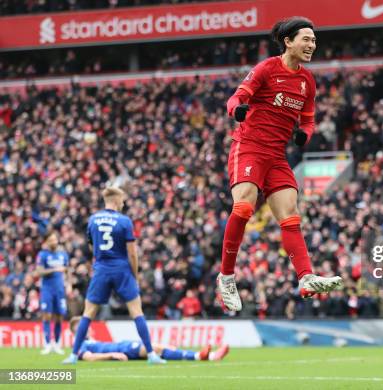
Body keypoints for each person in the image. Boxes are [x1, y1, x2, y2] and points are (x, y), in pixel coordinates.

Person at [218, 16, 342, 311]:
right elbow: (235, 98)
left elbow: (309, 120)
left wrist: (305, 135)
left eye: (314, 40)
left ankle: (305, 277)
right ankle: (226, 277)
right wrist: (237, 109)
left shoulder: (307, 82)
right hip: (248, 147)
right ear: (288, 41)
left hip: (276, 156)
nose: (312, 45)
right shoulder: (266, 69)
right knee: (245, 206)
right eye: (306, 39)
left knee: (291, 214)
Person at [62, 187, 165, 364]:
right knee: (136, 311)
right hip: (121, 268)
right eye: (123, 200)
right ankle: (151, 354)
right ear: (116, 200)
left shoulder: (93, 219)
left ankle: (73, 355)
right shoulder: (124, 221)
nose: (124, 203)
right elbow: (132, 253)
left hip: (101, 268)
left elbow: (90, 246)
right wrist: (135, 275)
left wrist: (99, 260)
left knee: (88, 313)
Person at [67, 316, 229, 362]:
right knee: (156, 347)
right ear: (76, 331)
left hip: (123, 345)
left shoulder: (91, 341)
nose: (87, 327)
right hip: (122, 349)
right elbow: (89, 358)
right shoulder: (79, 344)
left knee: (162, 347)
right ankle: (202, 356)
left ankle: (206, 356)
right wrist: (112, 355)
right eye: (81, 326)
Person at [36, 231, 69, 355]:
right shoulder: (42, 255)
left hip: (60, 289)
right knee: (47, 315)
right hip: (47, 289)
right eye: (51, 240)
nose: (53, 242)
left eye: (55, 239)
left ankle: (57, 344)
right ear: (47, 242)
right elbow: (39, 271)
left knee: (60, 316)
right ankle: (47, 344)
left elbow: (66, 269)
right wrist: (54, 269)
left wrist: (69, 285)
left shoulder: (63, 255)